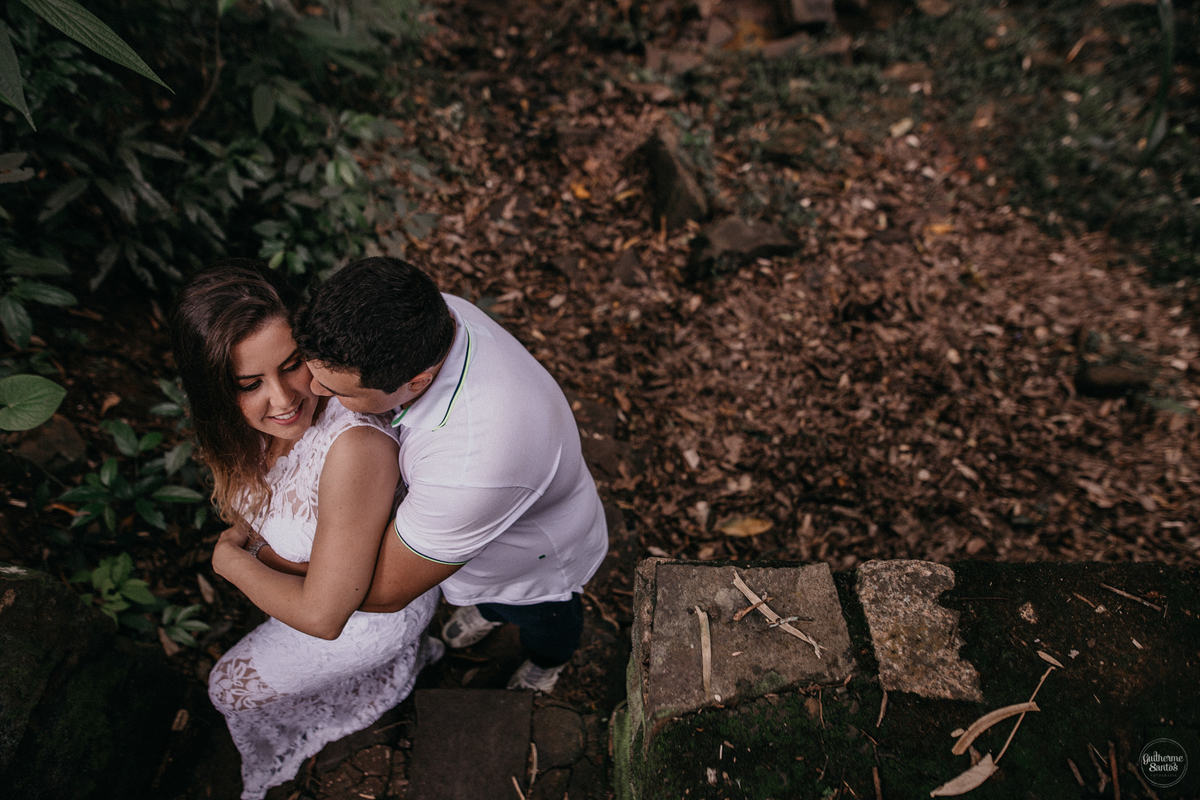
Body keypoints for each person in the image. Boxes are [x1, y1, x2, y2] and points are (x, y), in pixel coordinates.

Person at [170, 261, 441, 800]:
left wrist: (234, 561)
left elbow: (323, 616)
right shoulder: (247, 427)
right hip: (316, 588)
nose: (284, 399)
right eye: (250, 384)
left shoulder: (356, 447)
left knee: (227, 689)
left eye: (292, 364)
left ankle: (392, 672)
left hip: (362, 618)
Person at [294, 256, 610, 693]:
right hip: (489, 518)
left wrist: (270, 561)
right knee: (490, 602)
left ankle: (548, 663)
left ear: (417, 382)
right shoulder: (424, 316)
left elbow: (386, 591)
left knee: (545, 621)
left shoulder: (471, 467)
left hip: (533, 559)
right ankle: (488, 610)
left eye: (337, 391)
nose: (313, 390)